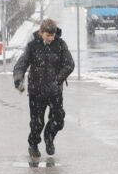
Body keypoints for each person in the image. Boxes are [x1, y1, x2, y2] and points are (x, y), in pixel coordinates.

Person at [13, 18, 75, 159]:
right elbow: (21, 65)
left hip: (55, 92)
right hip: (37, 91)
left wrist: (57, 80)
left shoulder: (60, 45)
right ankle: (33, 145)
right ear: (41, 33)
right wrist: (18, 80)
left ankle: (49, 137)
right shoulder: (33, 46)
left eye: (53, 35)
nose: (51, 38)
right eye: (48, 35)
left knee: (58, 120)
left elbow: (69, 64)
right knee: (37, 123)